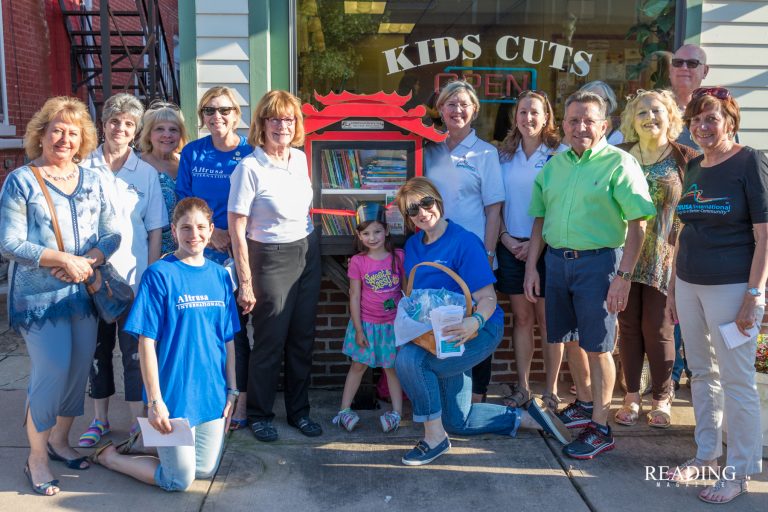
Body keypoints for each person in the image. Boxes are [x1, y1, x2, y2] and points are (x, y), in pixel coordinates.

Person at [394, 177, 570, 466]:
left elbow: (488, 298)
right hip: (436, 333)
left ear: (437, 201)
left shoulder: (464, 241)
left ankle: (434, 438)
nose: (422, 213)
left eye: (426, 203)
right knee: (458, 420)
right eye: (412, 210)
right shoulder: (413, 245)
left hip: (478, 329)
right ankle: (529, 418)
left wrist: (473, 322)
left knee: (411, 362)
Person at [525, 91, 656, 459]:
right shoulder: (555, 164)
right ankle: (584, 404)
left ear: (604, 126)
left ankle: (601, 426)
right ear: (563, 125)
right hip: (556, 263)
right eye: (572, 120)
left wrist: (624, 276)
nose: (580, 127)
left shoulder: (619, 163)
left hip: (599, 264)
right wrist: (532, 268)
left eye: (588, 120)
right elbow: (539, 219)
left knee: (598, 348)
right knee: (568, 340)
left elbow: (639, 223)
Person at [0, 96, 120, 495]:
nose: (64, 139)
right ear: (42, 134)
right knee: (51, 370)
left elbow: (111, 232)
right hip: (38, 300)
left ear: (83, 138)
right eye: (57, 130)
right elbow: (9, 243)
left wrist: (90, 258)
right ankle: (35, 458)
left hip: (83, 293)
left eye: (72, 132)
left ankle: (59, 441)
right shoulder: (21, 180)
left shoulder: (92, 178)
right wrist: (59, 258)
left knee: (77, 372)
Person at [90, 198, 240, 492]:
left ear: (211, 230)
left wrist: (232, 390)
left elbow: (229, 338)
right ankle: (111, 458)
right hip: (173, 395)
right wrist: (155, 402)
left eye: (200, 227)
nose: (193, 234)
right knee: (178, 480)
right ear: (174, 230)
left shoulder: (220, 276)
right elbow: (146, 342)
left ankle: (153, 446)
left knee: (205, 469)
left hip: (210, 392)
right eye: (185, 227)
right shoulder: (159, 274)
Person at [665, 87, 767, 504]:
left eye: (711, 119)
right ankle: (707, 454)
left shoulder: (750, 161)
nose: (703, 127)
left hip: (731, 287)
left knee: (737, 380)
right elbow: (683, 231)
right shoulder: (694, 167)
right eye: (696, 120)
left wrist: (753, 295)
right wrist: (672, 289)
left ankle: (740, 470)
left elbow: (765, 235)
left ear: (729, 121)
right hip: (689, 284)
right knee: (702, 374)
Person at [228, 90, 323, 442]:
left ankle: (299, 412)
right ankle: (259, 414)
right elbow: (237, 226)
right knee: (270, 340)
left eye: (289, 119)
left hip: (307, 249)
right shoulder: (249, 168)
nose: (282, 125)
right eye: (275, 119)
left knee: (302, 338)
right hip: (269, 256)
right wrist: (246, 279)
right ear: (262, 124)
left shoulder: (298, 159)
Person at [79, 93, 167, 451]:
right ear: (104, 125)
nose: (121, 128)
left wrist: (150, 276)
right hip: (90, 279)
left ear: (136, 131)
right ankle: (99, 420)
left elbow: (156, 228)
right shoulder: (82, 166)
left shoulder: (145, 173)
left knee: (135, 354)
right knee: (97, 352)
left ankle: (136, 423)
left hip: (133, 280)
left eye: (129, 124)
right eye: (115, 121)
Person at [614, 89, 699, 428]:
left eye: (656, 111)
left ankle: (662, 398)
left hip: (666, 256)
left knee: (660, 329)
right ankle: (632, 397)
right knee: (628, 328)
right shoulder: (619, 155)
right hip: (623, 256)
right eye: (642, 113)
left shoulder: (686, 157)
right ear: (631, 121)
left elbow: (695, 209)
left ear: (670, 118)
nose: (650, 118)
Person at [177, 86, 253, 428]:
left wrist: (231, 237)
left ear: (236, 115)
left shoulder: (250, 154)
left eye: (224, 110)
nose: (216, 116)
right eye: (209, 110)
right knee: (202, 329)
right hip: (201, 251)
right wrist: (211, 233)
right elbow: (182, 203)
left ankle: (240, 404)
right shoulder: (193, 152)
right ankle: (208, 399)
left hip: (240, 255)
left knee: (235, 331)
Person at [425, 80, 504, 404]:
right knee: (439, 316)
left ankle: (478, 395)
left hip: (473, 253)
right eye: (450, 104)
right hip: (436, 249)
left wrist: (487, 254)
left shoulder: (486, 152)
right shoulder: (428, 149)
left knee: (475, 317)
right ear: (440, 109)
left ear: (474, 110)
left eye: (463, 104)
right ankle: (444, 392)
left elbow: (494, 209)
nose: (457, 110)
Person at [497, 90, 568, 411]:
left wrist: (534, 248)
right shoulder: (503, 156)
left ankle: (551, 392)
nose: (529, 118)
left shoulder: (560, 154)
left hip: (548, 249)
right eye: (523, 112)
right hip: (510, 246)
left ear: (547, 117)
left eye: (535, 112)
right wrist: (506, 239)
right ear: (516, 117)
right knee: (522, 318)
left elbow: (560, 206)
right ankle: (523, 388)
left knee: (548, 321)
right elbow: (493, 204)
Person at [333, 204, 404, 433]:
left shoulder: (398, 257)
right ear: (359, 235)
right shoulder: (358, 261)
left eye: (377, 231)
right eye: (365, 233)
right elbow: (354, 296)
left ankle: (396, 413)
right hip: (366, 325)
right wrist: (358, 329)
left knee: (391, 368)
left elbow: (405, 292)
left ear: (386, 231)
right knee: (358, 365)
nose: (372, 237)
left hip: (391, 326)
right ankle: (344, 411)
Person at [138, 100, 189, 255]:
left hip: (184, 247)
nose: (167, 134)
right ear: (148, 134)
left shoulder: (186, 164)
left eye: (173, 129)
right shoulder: (137, 165)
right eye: (159, 129)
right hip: (147, 247)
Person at [668, 44, 709, 150]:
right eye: (678, 63)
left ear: (705, 71)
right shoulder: (652, 108)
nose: (684, 68)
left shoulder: (716, 112)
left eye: (692, 63)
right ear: (670, 70)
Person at [578, 81, 623, 145]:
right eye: (588, 100)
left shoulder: (620, 136)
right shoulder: (574, 129)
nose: (594, 105)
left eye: (600, 100)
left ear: (609, 103)